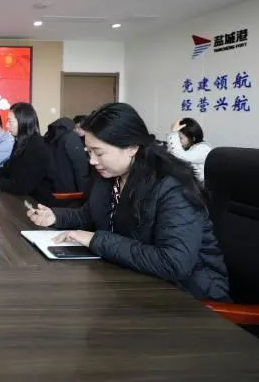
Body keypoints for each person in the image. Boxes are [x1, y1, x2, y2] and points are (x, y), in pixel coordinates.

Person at [27, 103, 230, 301]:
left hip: (190, 296)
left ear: (132, 147)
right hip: (137, 282)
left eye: (99, 152)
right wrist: (55, 216)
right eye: (88, 152)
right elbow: (91, 214)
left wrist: (96, 240)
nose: (92, 161)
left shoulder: (172, 186)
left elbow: (174, 263)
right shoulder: (112, 175)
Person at [0, 103, 56, 205]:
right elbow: (9, 167)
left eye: (10, 121)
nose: (7, 126)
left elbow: (22, 186)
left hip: (36, 203)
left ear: (23, 121)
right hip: (20, 198)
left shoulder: (37, 146)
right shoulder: (20, 142)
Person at [43, 117, 90, 193]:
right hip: (69, 189)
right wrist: (83, 192)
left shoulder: (48, 137)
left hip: (51, 187)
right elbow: (80, 167)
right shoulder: (71, 137)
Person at [166, 117, 212, 182]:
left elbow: (181, 157)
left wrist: (173, 133)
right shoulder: (184, 148)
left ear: (193, 138)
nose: (178, 141)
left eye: (180, 138)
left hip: (199, 186)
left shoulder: (204, 149)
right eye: (177, 138)